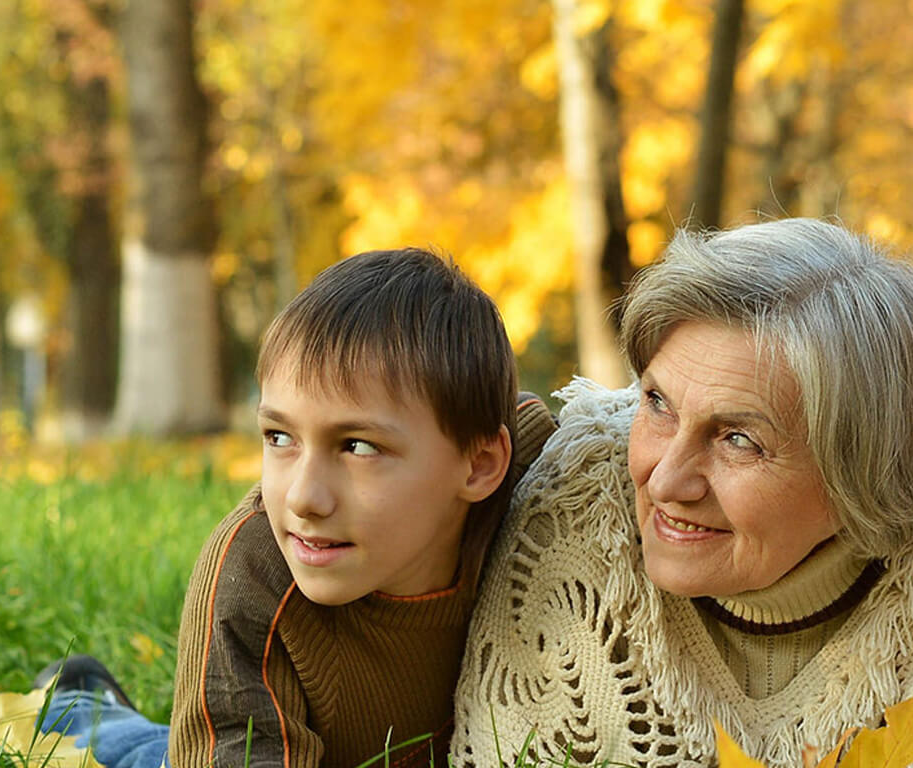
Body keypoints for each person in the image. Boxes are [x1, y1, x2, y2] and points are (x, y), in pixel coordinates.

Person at [449, 218, 913, 767]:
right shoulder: (577, 500)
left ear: (867, 468)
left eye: (739, 439)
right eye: (657, 402)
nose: (664, 481)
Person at [36, 248, 556, 768]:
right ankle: (76, 708)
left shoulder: (530, 474)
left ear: (479, 466)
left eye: (358, 446)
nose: (303, 498)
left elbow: (554, 430)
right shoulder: (252, 575)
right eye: (279, 437)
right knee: (138, 754)